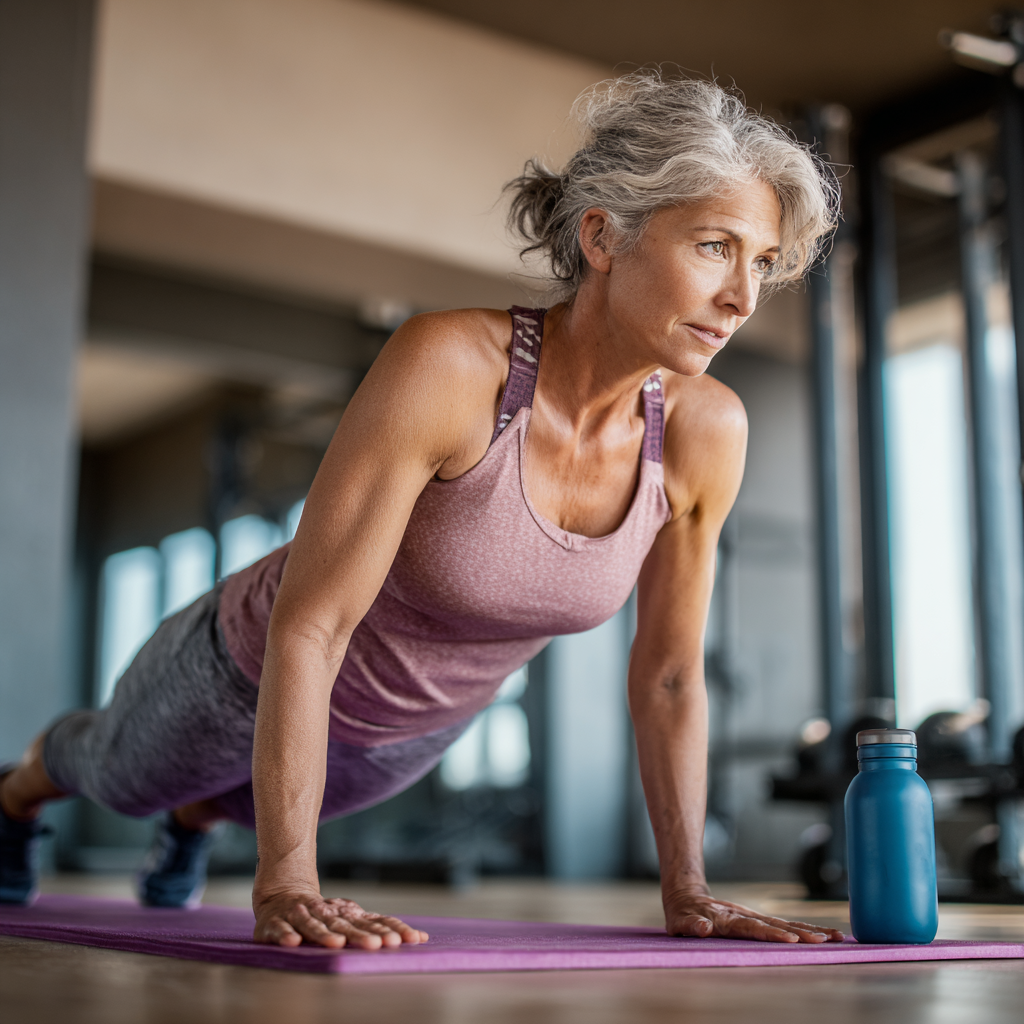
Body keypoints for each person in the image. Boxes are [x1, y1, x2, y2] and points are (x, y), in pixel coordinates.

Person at [0, 71, 844, 948]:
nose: (744, 298)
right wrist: (286, 881)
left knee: (228, 804)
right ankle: (15, 797)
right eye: (716, 247)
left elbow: (670, 673)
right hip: (245, 676)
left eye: (765, 264)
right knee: (114, 774)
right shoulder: (451, 367)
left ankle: (199, 821)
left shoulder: (707, 431)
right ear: (603, 235)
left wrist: (689, 890)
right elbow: (312, 627)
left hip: (410, 734)